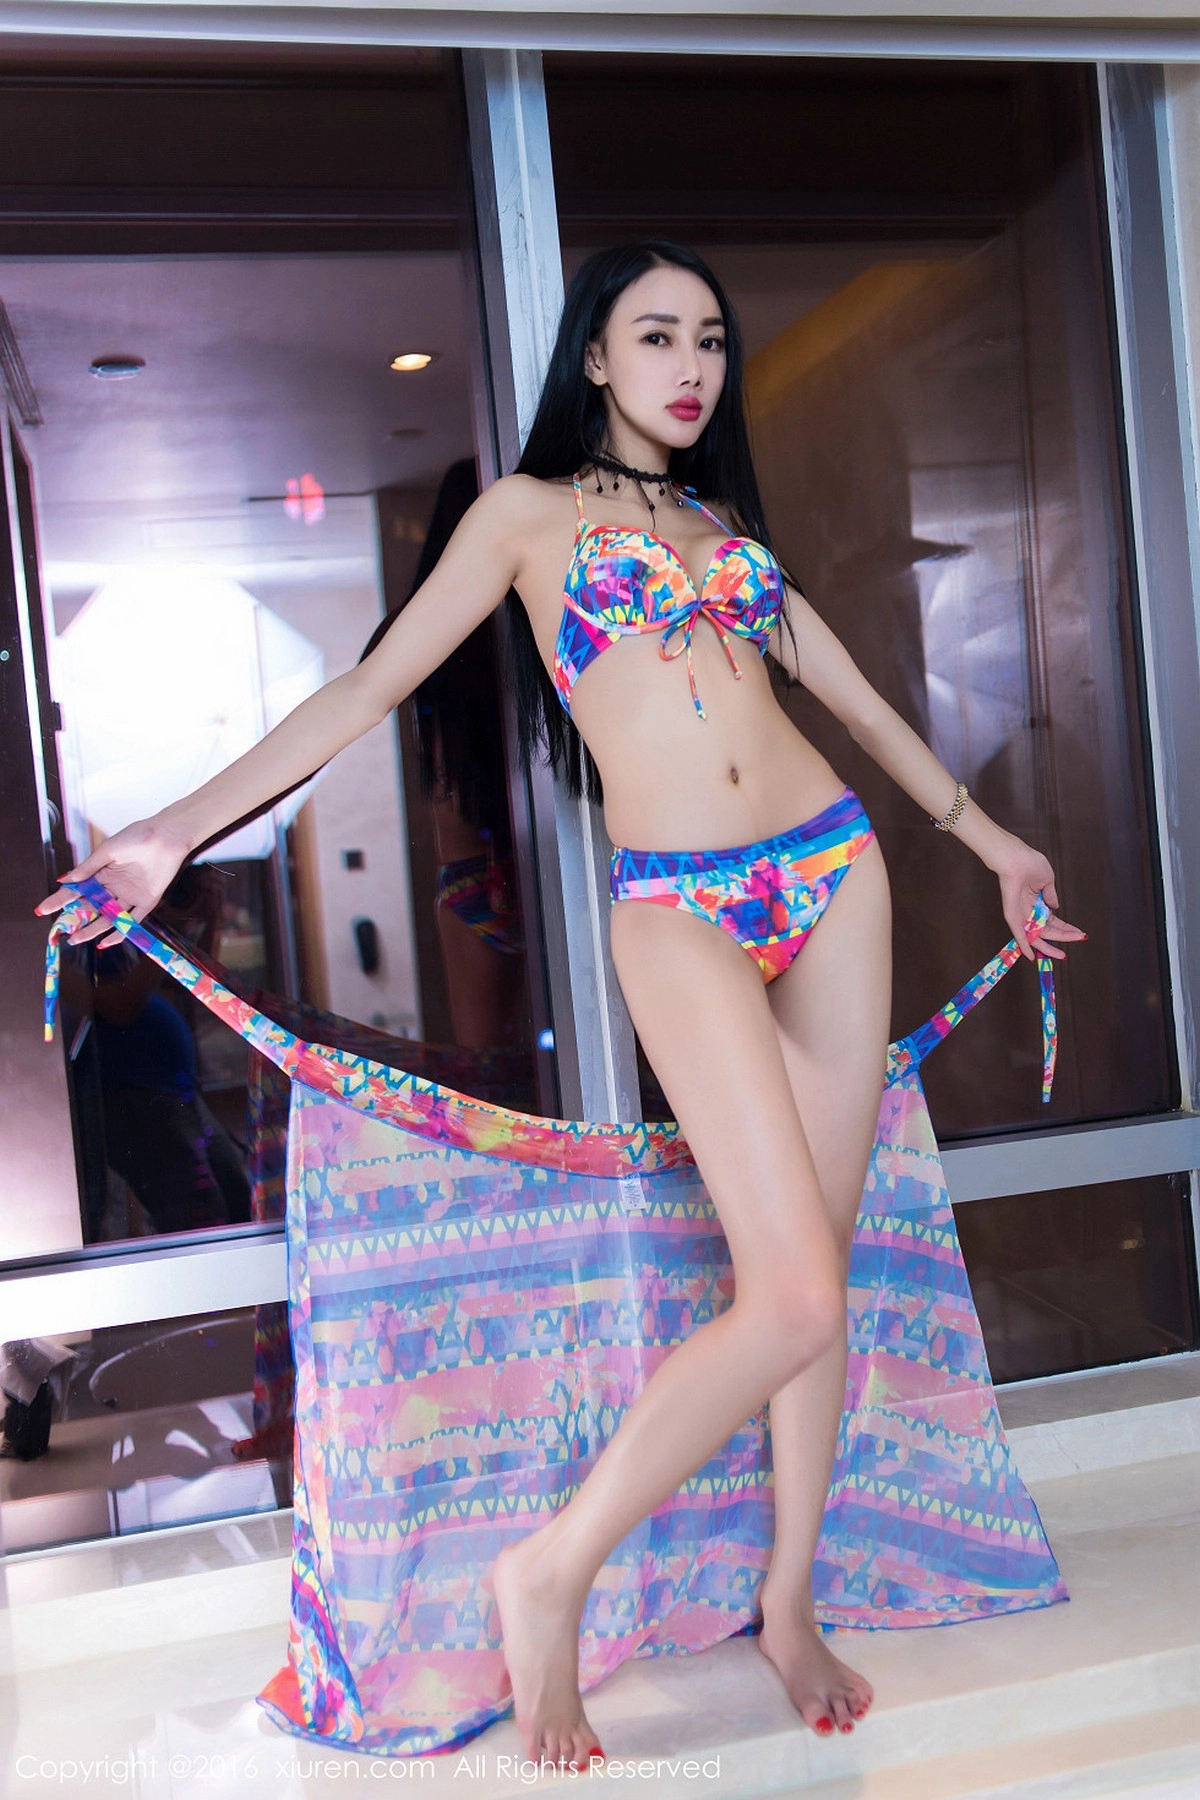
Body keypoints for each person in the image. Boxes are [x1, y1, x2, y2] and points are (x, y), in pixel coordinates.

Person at [37, 240, 1084, 1771]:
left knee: (824, 1267)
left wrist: (992, 845)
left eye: (710, 339)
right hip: (679, 905)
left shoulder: (723, 526)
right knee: (791, 1293)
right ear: (595, 355)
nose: (691, 365)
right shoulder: (524, 517)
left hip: (832, 868)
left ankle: (790, 1602)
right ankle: (550, 1571)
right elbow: (368, 688)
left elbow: (854, 699)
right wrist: (168, 834)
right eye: (657, 335)